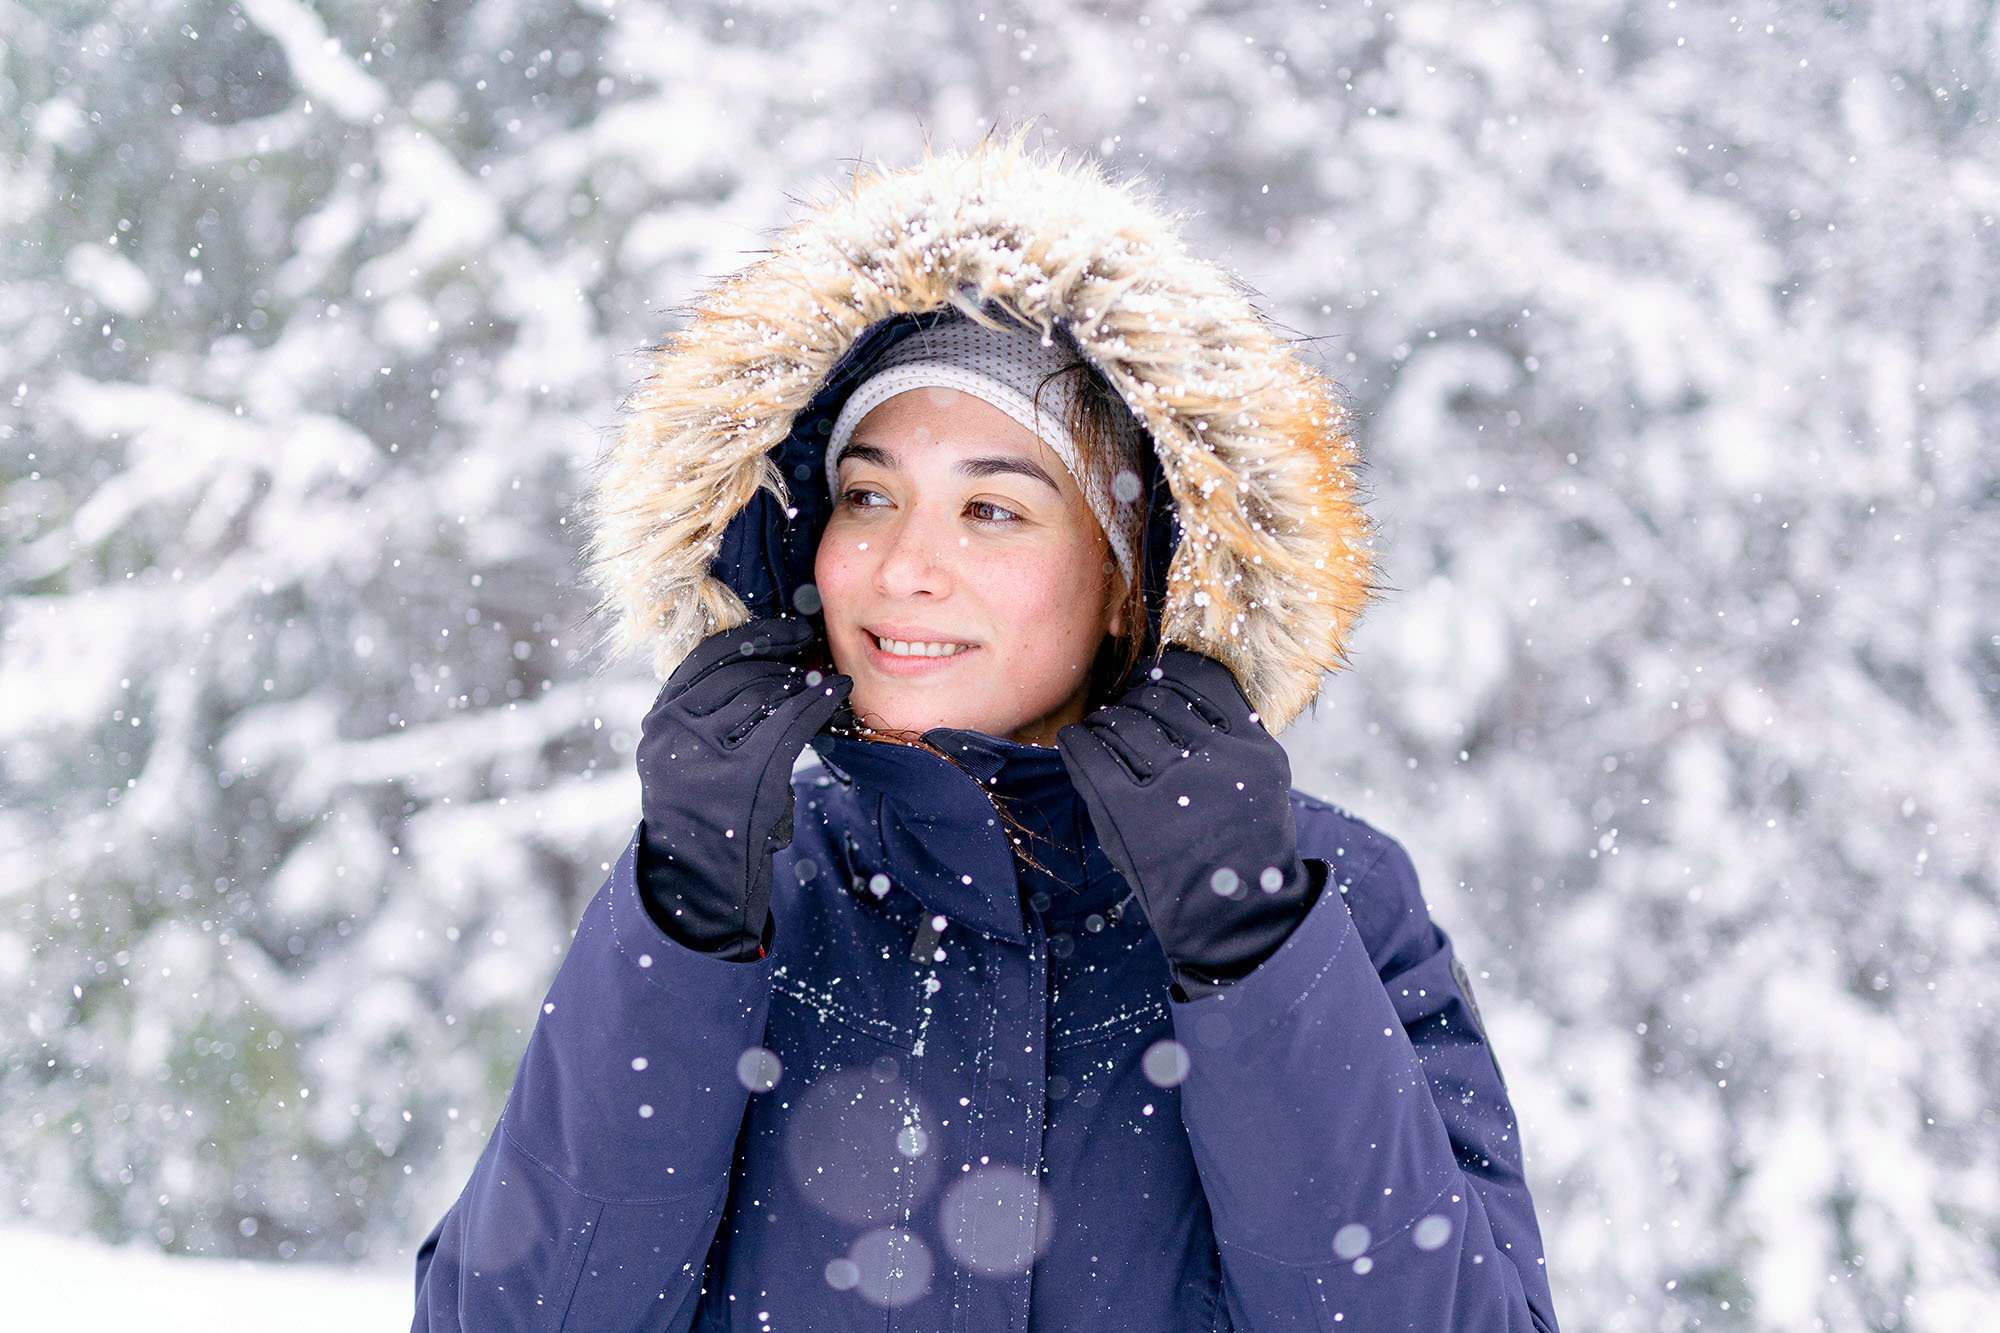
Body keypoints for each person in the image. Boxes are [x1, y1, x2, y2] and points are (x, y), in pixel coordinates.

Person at [413, 137, 1559, 1332]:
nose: (904, 564)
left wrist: (1248, 950)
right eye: (867, 496)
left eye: (992, 509)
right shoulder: (747, 895)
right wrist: (682, 929)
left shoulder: (1327, 902)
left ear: (1127, 578)